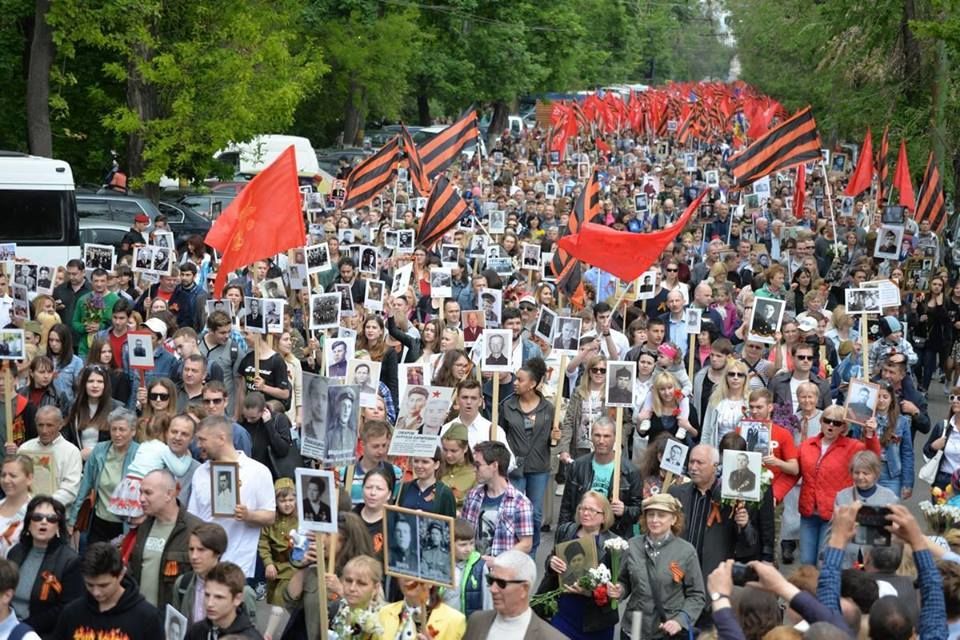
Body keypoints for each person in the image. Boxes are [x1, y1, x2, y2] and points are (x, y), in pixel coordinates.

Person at [784, 404, 881, 566]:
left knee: (825, 562)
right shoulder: (807, 445)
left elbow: (872, 457)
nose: (831, 425)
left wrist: (870, 435)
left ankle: (824, 591)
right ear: (821, 422)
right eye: (827, 421)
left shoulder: (852, 446)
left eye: (836, 423)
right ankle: (808, 591)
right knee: (806, 562)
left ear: (844, 427)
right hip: (808, 514)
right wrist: (774, 495)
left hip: (833, 516)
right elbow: (792, 474)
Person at [187, 416, 276, 576]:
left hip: (239, 567)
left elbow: (270, 516)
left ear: (221, 438)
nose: (198, 445)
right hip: (205, 567)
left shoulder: (258, 471)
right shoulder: (200, 472)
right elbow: (193, 518)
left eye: (202, 440)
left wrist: (249, 515)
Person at [610, 494, 706, 639]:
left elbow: (697, 595)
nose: (654, 520)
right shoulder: (633, 545)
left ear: (674, 519)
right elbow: (624, 580)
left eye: (661, 515)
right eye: (650, 515)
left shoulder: (686, 551)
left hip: (666, 631)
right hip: (635, 627)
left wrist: (679, 621)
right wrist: (620, 590)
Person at [540, 491, 622, 640]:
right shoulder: (566, 530)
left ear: (604, 516)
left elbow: (619, 583)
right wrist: (551, 563)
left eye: (592, 510)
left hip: (595, 620)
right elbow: (551, 561)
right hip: (564, 611)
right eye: (582, 508)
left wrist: (592, 591)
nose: (585, 513)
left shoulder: (614, 544)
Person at [52, 542, 164, 640]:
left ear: (121, 575)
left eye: (103, 585)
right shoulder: (72, 613)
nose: (96, 592)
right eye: (90, 585)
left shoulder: (147, 618)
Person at [499, 358, 553, 554]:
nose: (515, 382)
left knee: (535, 513)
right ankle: (515, 550)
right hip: (516, 469)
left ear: (532, 384)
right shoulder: (507, 406)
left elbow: (552, 439)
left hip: (539, 467)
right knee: (516, 511)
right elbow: (500, 436)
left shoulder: (548, 408)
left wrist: (555, 437)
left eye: (520, 380)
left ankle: (532, 551)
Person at [126, 469, 203, 608]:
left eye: (148, 493)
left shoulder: (195, 530)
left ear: (169, 494)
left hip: (172, 620)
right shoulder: (144, 526)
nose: (141, 499)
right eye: (141, 492)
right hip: (142, 615)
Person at [7, 497, 83, 638]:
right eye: (37, 517)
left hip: (45, 633)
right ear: (29, 524)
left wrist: (24, 628)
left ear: (58, 526)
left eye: (51, 519)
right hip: (7, 626)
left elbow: (66, 609)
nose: (44, 522)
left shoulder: (71, 561)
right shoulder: (15, 552)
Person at [558, 416, 642, 538]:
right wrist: (562, 535)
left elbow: (639, 511)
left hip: (614, 534)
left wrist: (625, 511)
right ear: (591, 436)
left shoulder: (630, 471)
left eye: (607, 436)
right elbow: (566, 506)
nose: (601, 441)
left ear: (615, 438)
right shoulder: (578, 466)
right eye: (597, 435)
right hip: (582, 531)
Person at [66, 409, 139, 545]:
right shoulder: (99, 451)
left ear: (133, 431)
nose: (117, 434)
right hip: (99, 522)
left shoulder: (140, 454)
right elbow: (84, 487)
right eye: (114, 429)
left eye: (122, 430)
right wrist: (72, 521)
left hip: (126, 525)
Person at [461, 550, 566, 640]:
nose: (493, 589)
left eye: (501, 583)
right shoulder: (476, 621)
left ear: (524, 588)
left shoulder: (550, 637)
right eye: (490, 580)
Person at [169, 523, 257, 626]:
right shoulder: (182, 584)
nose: (194, 556)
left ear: (217, 552)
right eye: (191, 549)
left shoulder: (242, 591)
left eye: (201, 550)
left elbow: (250, 632)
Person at [460, 441, 533, 556]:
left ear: (494, 466)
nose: (474, 469)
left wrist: (500, 560)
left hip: (502, 570)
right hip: (472, 566)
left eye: (478, 465)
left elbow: (526, 543)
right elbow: (463, 532)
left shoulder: (520, 502)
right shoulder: (473, 496)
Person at [831, 451, 898, 568]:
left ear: (876, 474)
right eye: (856, 472)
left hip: (877, 560)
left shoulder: (889, 497)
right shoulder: (842, 496)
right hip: (848, 559)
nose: (860, 477)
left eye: (866, 473)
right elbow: (836, 527)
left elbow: (894, 531)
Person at [17, 406, 83, 509]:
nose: (44, 430)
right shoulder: (25, 449)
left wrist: (45, 506)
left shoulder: (71, 452)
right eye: (40, 425)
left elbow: (70, 489)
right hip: (26, 511)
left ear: (60, 425)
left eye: (49, 425)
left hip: (58, 514)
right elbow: (18, 482)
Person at [183, 562, 261, 640]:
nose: (210, 603)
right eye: (207, 595)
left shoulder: (251, 637)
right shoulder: (196, 632)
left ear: (237, 599)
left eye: (219, 597)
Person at [378, 577, 466, 640]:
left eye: (415, 573)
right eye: (403, 572)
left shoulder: (454, 620)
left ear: (431, 582)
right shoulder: (384, 613)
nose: (408, 578)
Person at [257, 478, 299, 606]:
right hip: (275, 568)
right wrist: (268, 563)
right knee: (271, 600)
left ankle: (273, 627)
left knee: (279, 600)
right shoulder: (270, 519)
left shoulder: (300, 519)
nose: (287, 504)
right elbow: (263, 542)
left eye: (291, 500)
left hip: (292, 568)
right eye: (282, 501)